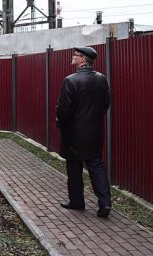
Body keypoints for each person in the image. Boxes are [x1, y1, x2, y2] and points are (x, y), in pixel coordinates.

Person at [56, 46, 112, 218]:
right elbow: (106, 104)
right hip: (94, 131)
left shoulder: (70, 80)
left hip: (74, 133)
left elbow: (64, 109)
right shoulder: (101, 79)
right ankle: (105, 203)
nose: (72, 57)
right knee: (96, 166)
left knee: (74, 168)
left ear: (83, 59)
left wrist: (61, 124)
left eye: (76, 55)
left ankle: (77, 202)